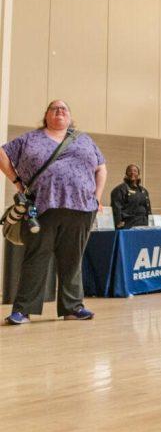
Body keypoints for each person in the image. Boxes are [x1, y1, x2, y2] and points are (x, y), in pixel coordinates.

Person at [1, 100, 105, 324]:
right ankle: (23, 310)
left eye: (64, 108)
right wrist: (17, 182)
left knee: (72, 260)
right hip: (41, 207)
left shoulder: (84, 139)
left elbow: (101, 167)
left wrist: (97, 197)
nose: (60, 111)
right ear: (46, 115)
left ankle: (73, 308)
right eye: (54, 108)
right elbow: (2, 154)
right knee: (36, 258)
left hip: (81, 209)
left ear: (70, 116)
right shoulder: (30, 139)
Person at [110, 164, 151, 229]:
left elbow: (148, 209)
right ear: (126, 173)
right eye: (130, 171)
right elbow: (116, 208)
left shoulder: (144, 191)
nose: (132, 172)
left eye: (135, 171)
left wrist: (151, 221)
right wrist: (118, 222)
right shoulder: (119, 189)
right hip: (128, 223)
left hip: (144, 223)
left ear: (138, 174)